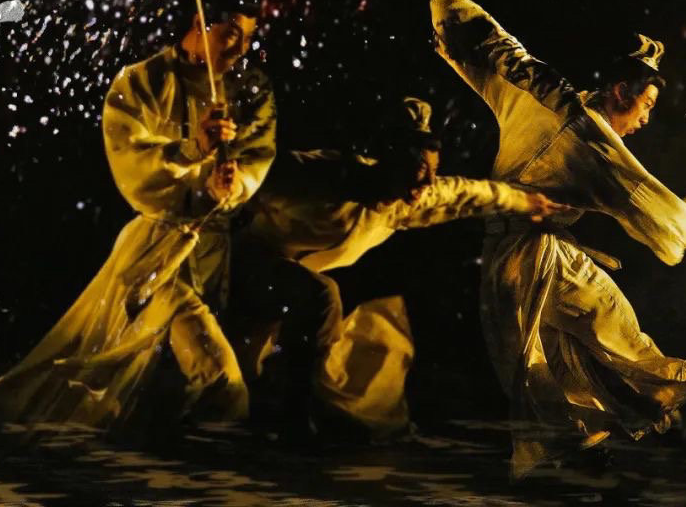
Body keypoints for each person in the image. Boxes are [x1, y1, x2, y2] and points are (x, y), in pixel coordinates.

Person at [389, 0, 686, 476]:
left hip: (538, 251)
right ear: (621, 91)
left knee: (593, 329)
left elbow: (497, 47)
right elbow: (645, 198)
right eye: (646, 104)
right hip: (521, 252)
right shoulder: (595, 144)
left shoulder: (545, 93)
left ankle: (628, 418)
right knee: (549, 352)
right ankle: (590, 438)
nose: (646, 118)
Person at [0, 0, 276, 439]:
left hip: (218, 250)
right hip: (157, 252)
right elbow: (132, 163)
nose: (241, 49)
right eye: (232, 33)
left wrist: (232, 185)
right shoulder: (140, 82)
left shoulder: (252, 88)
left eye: (249, 37)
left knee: (166, 384)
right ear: (201, 22)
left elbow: (256, 155)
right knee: (218, 376)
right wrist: (193, 150)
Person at [228, 96, 565, 441]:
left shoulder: (405, 203)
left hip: (291, 283)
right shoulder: (324, 176)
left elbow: (467, 193)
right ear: (389, 162)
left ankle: (291, 401)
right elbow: (254, 174)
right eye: (418, 171)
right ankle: (294, 413)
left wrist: (526, 201)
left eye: (432, 172)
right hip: (247, 264)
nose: (426, 184)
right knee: (322, 296)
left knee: (310, 317)